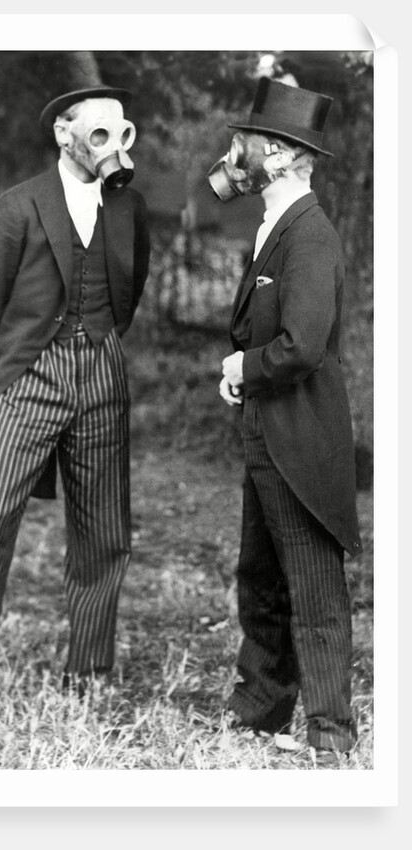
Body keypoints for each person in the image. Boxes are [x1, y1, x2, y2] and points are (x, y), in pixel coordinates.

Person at [0, 84, 150, 714]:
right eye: (98, 134)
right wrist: (19, 373)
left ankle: (89, 669)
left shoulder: (128, 209)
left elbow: (128, 291)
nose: (111, 147)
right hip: (30, 376)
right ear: (64, 134)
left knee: (104, 531)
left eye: (121, 133)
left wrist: (98, 345)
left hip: (103, 369)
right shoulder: (17, 207)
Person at [208, 78, 363, 764]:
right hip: (267, 435)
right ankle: (260, 711)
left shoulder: (310, 233)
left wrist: (244, 367)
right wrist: (242, 373)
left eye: (243, 144)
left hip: (303, 442)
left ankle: (331, 734)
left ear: (275, 155)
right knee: (260, 577)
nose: (231, 155)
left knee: (315, 591)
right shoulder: (277, 225)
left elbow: (301, 344)